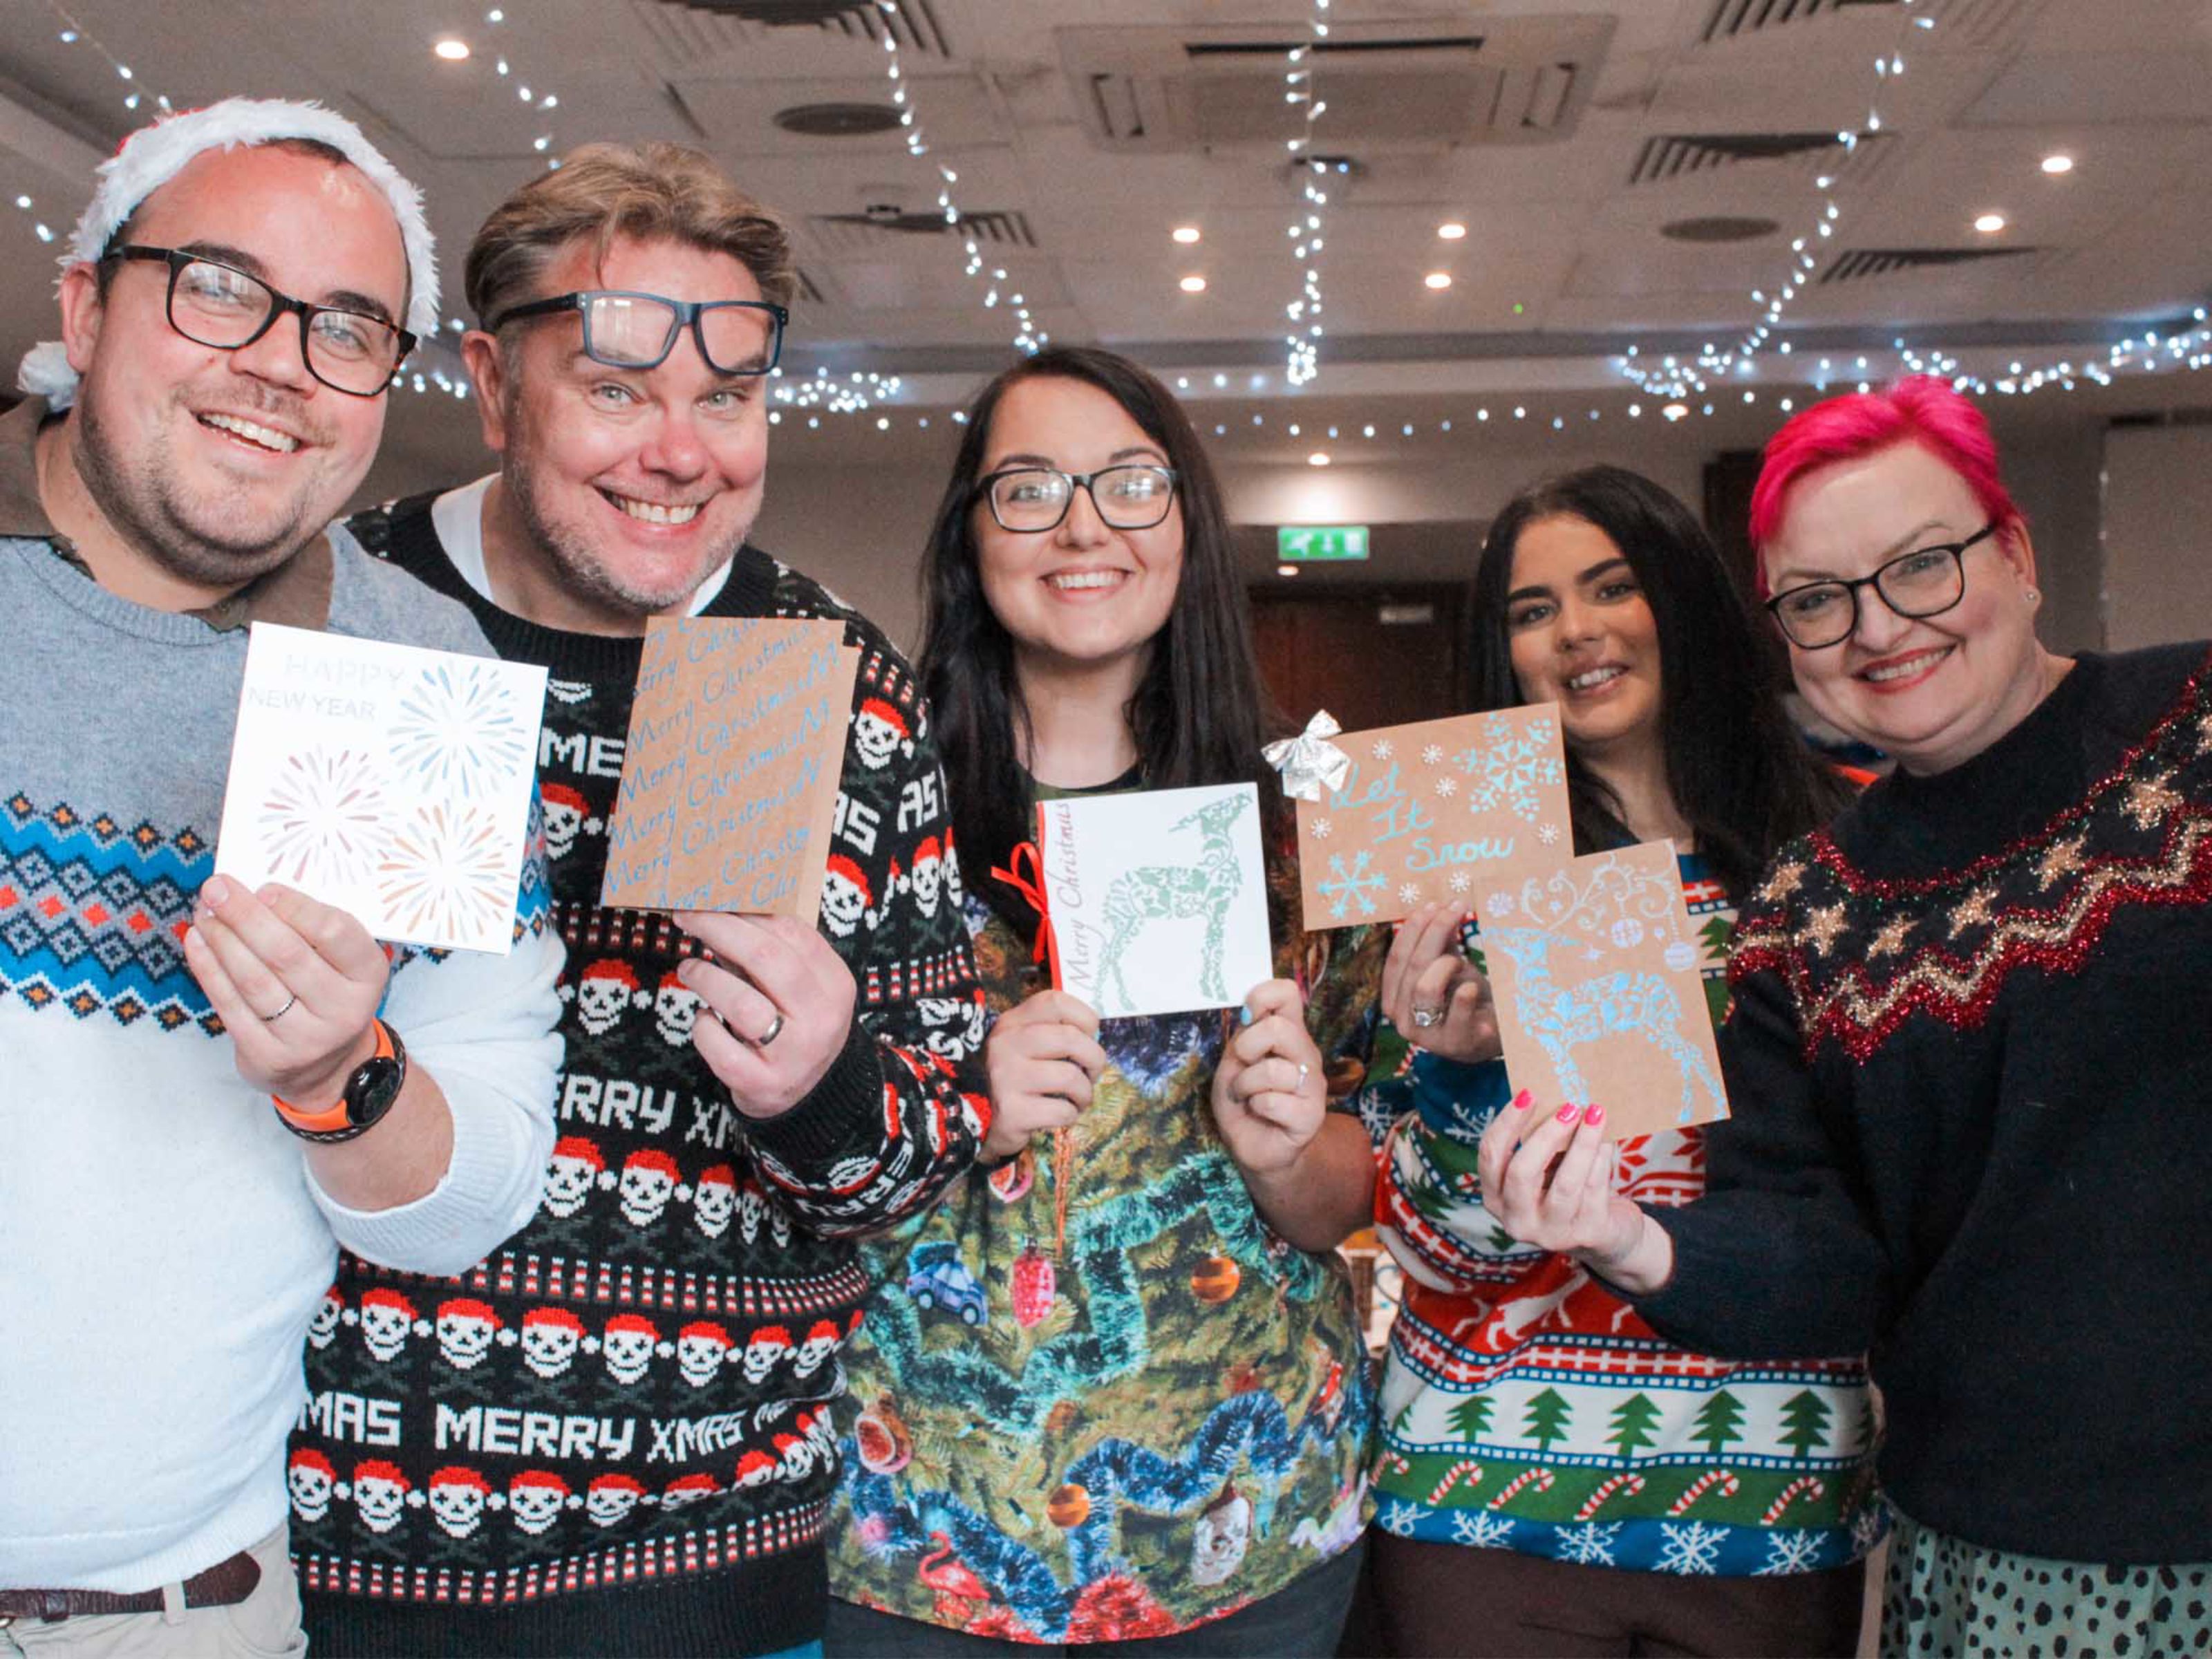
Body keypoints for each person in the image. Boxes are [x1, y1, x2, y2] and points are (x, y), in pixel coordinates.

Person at [291, 142, 990, 1659]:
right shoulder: (345, 615)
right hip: (329, 1543)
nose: (682, 452)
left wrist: (823, 1084)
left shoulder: (836, 679)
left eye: (727, 398)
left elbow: (929, 1147)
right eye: (616, 390)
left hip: (712, 1558)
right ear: (495, 386)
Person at [1477, 379, 2212, 1658]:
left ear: (2017, 555)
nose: (1880, 627)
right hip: (2006, 1551)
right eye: (1820, 599)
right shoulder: (1813, 907)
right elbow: (1820, 1252)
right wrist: (1627, 1238)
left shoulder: (2192, 735)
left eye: (1921, 565)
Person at [0, 100, 562, 1655]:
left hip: (177, 1603)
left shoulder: (413, 676)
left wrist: (339, 1078)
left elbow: (467, 1203)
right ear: (85, 307)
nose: (281, 364)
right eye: (220, 288)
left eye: (348, 328)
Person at [823, 346, 1385, 1656]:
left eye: (1130, 483)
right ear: (969, 536)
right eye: (1029, 489)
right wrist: (954, 1110)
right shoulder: (862, 804)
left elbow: (1363, 1183)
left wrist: (1288, 1149)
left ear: (1189, 519)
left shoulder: (1313, 824)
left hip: (1249, 1524)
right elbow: (764, 1148)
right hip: (921, 1530)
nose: (1083, 527)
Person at [1358, 465, 1875, 1658]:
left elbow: (1875, 1200)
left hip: (1771, 1497)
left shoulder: (1840, 850)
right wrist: (1462, 1077)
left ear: (1683, 600)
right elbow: (1432, 1250)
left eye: (1611, 587)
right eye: (1532, 610)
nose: (1576, 632)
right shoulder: (1460, 875)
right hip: (1486, 1498)